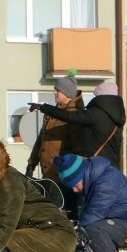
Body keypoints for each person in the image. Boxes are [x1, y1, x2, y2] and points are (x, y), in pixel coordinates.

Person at [26, 73, 86, 221]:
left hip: (65, 176)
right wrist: (31, 163)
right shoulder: (52, 113)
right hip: (48, 175)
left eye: (57, 90)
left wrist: (69, 170)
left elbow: (76, 147)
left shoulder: (74, 116)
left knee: (67, 214)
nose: (54, 93)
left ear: (67, 93)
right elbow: (41, 140)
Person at [28, 81, 126, 171]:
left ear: (101, 97)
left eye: (95, 96)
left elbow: (68, 116)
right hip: (110, 166)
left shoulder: (97, 114)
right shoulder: (116, 116)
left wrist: (43, 107)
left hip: (96, 168)